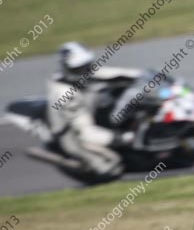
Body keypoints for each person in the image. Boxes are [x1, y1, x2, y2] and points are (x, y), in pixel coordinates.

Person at [46, 42, 136, 179]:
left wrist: (144, 75)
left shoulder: (86, 73)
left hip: (90, 114)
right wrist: (120, 138)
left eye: (86, 67)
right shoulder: (66, 95)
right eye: (79, 69)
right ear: (67, 68)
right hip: (71, 134)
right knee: (111, 167)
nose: (84, 72)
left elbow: (110, 74)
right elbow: (86, 132)